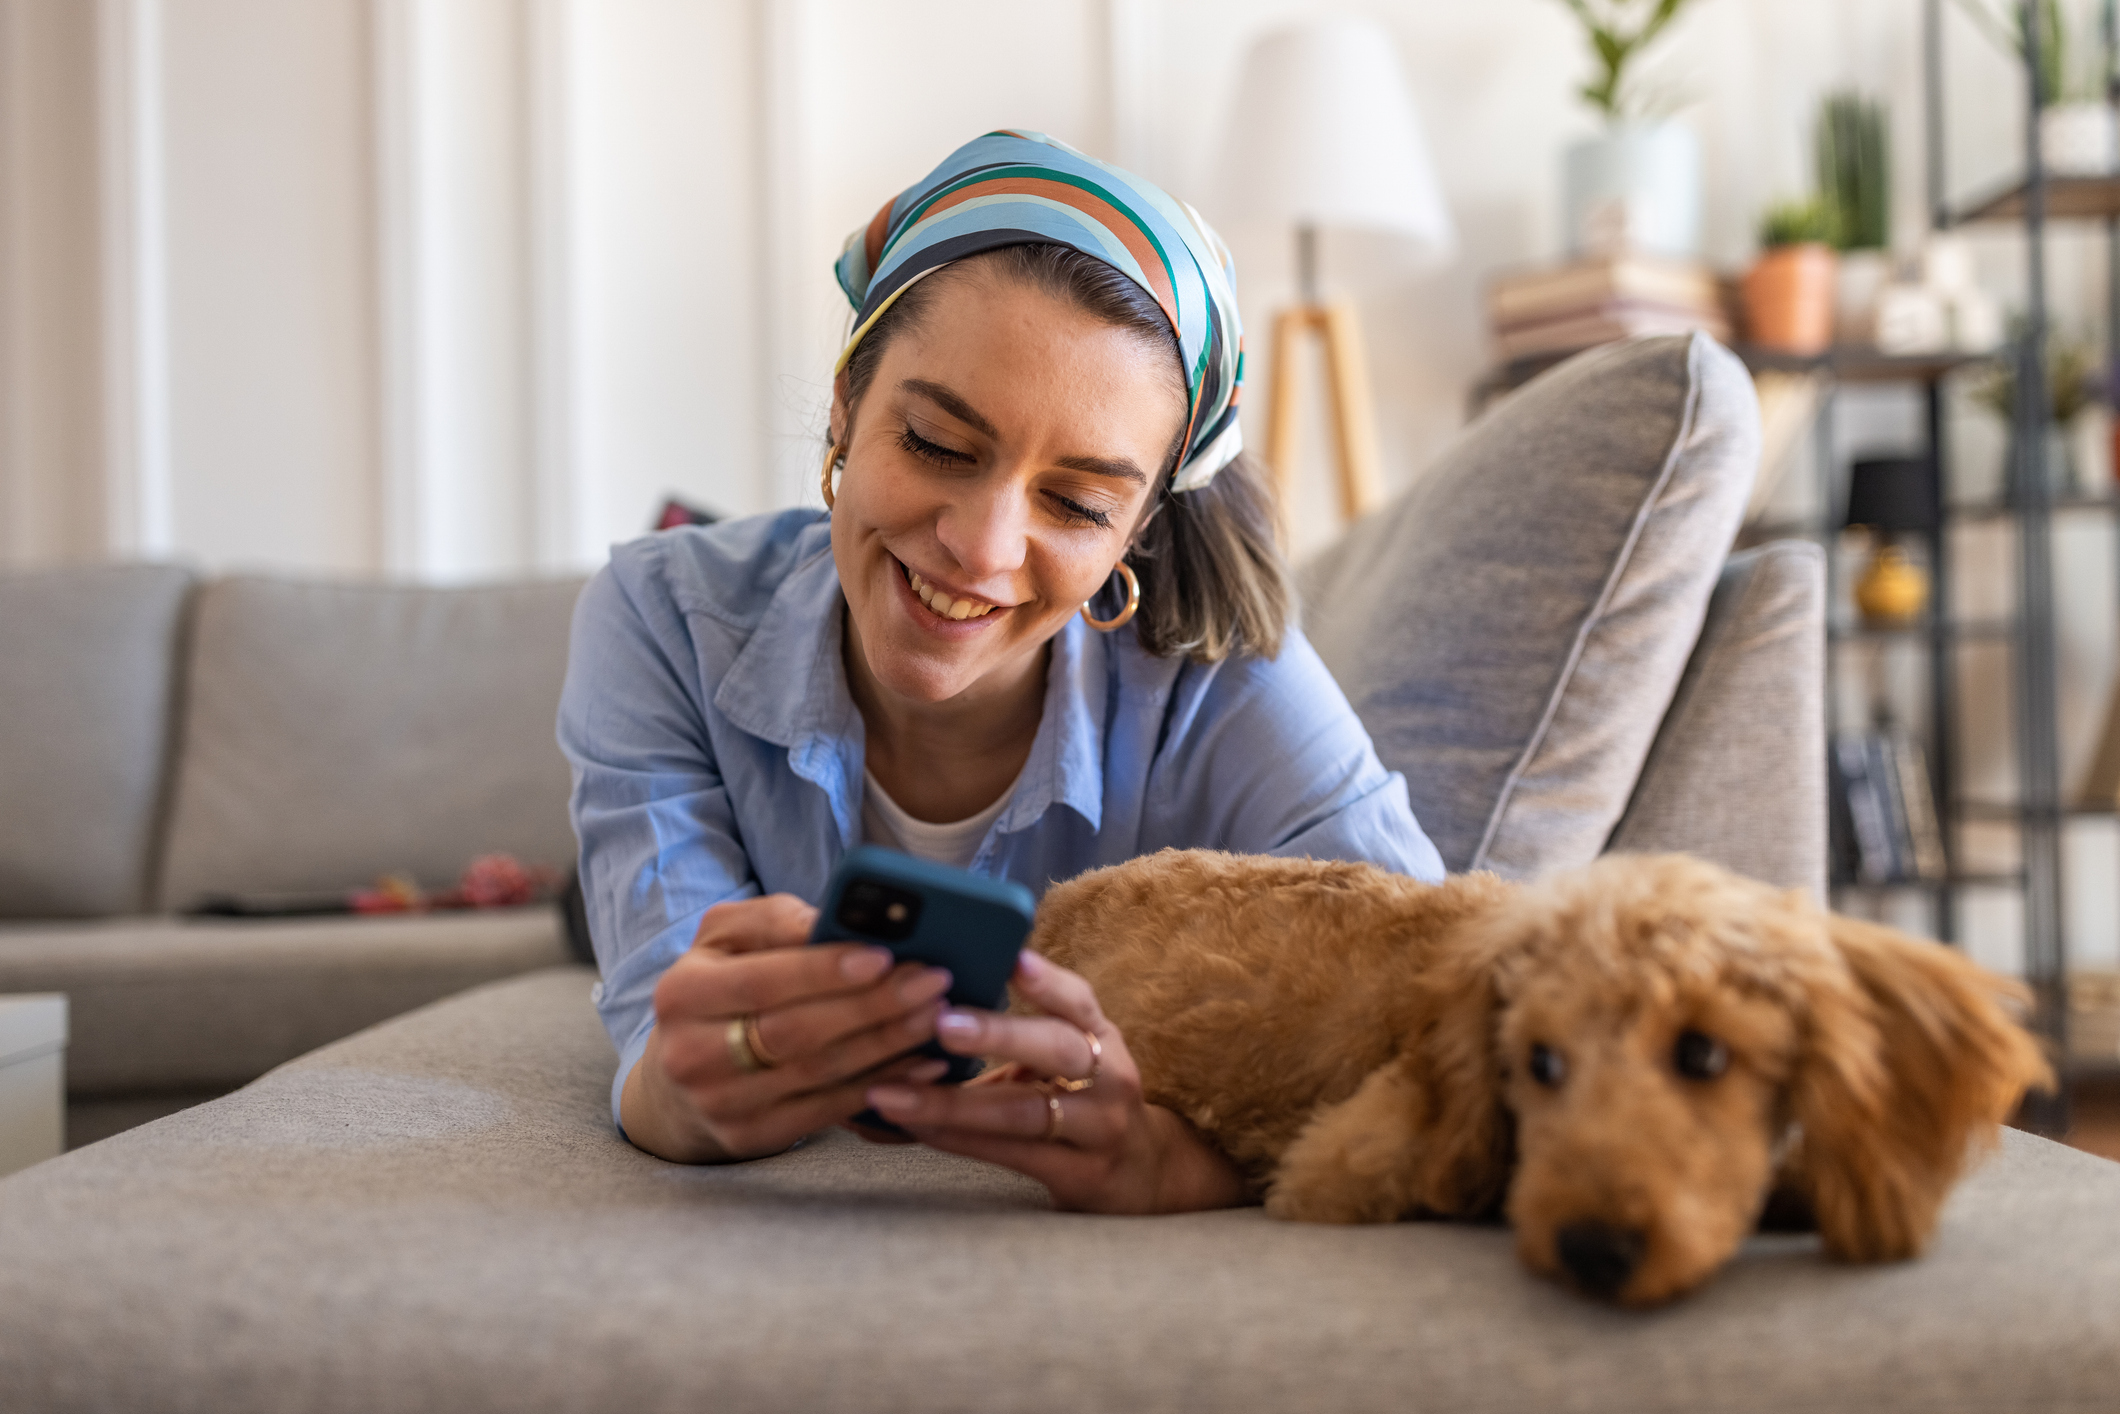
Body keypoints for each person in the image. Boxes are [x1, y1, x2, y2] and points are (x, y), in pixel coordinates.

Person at [558, 130, 1443, 1214]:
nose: (980, 549)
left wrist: (1171, 1160)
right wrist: (683, 1095)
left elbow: (1437, 1017)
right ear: (844, 404)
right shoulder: (660, 617)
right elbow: (657, 1045)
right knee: (578, 914)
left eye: (1075, 505)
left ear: (1136, 532)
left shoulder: (1221, 679)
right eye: (934, 441)